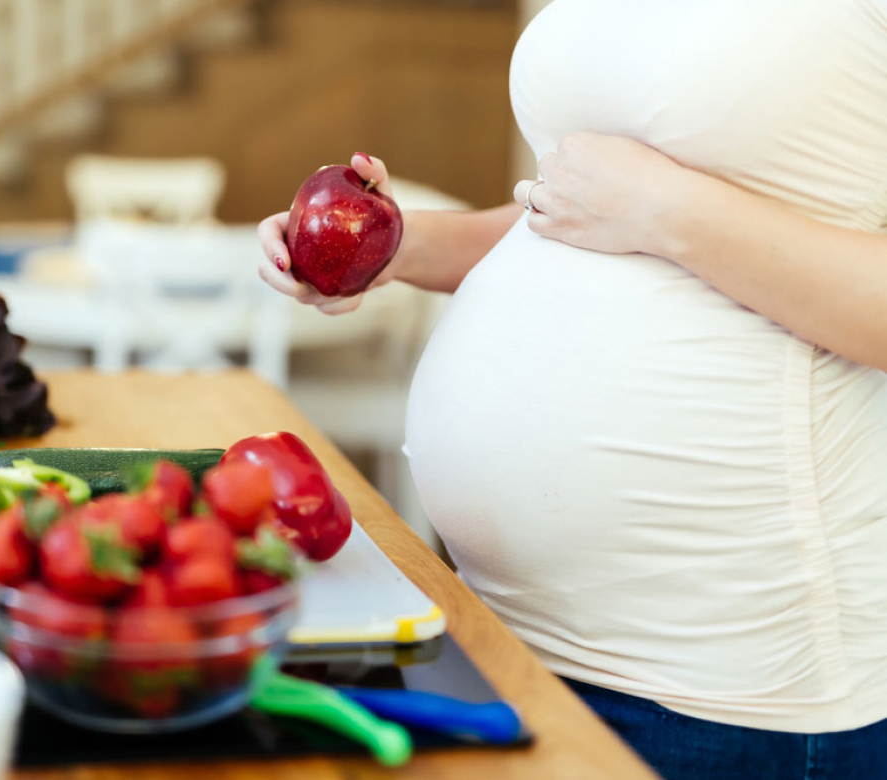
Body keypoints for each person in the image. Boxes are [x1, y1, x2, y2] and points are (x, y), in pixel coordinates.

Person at [256, 1, 887, 777]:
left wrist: (669, 209)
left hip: (718, 692)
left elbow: (644, 210)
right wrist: (395, 243)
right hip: (501, 637)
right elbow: (569, 217)